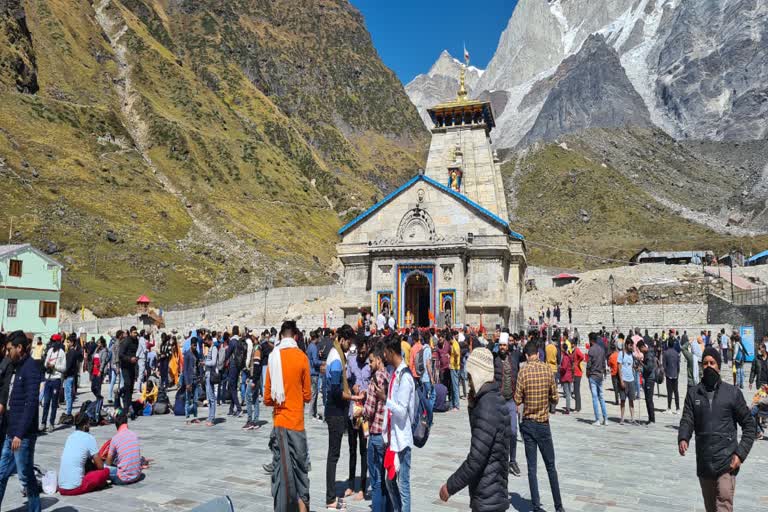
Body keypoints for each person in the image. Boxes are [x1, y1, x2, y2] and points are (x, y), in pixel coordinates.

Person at [678, 347, 755, 512]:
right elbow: (687, 418)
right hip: (705, 462)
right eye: (705, 363)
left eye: (712, 363)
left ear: (718, 366)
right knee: (711, 508)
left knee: (724, 505)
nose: (709, 366)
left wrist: (740, 454)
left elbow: (750, 426)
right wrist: (683, 437)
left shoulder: (732, 393)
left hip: (726, 463)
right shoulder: (693, 394)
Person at [439, 348, 510, 511]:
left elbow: (476, 458)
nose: (468, 381)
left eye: (470, 376)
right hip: (494, 492)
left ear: (478, 374)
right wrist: (473, 405)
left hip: (488, 497)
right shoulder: (495, 399)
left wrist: (450, 486)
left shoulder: (487, 406)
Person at [264, 320, 312, 512]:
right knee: (301, 473)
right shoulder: (302, 357)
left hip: (280, 424)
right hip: (297, 424)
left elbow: (267, 398)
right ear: (296, 337)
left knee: (280, 473)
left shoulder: (273, 357)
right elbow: (308, 396)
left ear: (280, 336)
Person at [515, 339, 563, 512]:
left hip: (528, 424)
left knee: (532, 468)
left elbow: (517, 399)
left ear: (527, 355)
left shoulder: (523, 372)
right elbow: (556, 398)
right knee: (551, 467)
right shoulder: (547, 369)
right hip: (543, 424)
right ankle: (559, 507)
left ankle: (536, 506)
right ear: (538, 353)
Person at [0, 332, 42, 512]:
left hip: (21, 435)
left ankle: (34, 508)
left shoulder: (31, 368)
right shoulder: (16, 367)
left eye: (10, 349)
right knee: (1, 474)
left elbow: (31, 403)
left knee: (26, 477)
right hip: (11, 432)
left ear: (19, 348)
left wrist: (20, 433)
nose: (8, 352)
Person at [325, 325, 358, 510]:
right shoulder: (337, 359)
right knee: (333, 455)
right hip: (336, 412)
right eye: (349, 342)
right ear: (343, 339)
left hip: (334, 411)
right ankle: (330, 499)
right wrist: (353, 397)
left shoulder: (334, 354)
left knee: (333, 455)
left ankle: (330, 496)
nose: (349, 346)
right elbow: (337, 391)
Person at [383, 336, 416, 512]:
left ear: (391, 352)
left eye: (385, 353)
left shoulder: (405, 377)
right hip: (393, 438)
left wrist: (385, 400)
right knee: (390, 480)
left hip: (402, 439)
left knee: (403, 484)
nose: (384, 357)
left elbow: (402, 411)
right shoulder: (395, 373)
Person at [363, 344, 390, 512]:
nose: (369, 364)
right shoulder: (388, 376)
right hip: (386, 434)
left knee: (376, 481)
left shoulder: (375, 380)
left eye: (371, 361)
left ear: (379, 360)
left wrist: (361, 411)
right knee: (385, 479)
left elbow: (369, 410)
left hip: (375, 434)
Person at [57, 412, 109, 495]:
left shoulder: (70, 437)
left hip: (61, 487)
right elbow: (100, 466)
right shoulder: (89, 438)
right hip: (74, 488)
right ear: (85, 425)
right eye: (89, 423)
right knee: (105, 472)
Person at [345, 339, 370, 501]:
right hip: (353, 410)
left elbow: (375, 384)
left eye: (364, 352)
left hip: (365, 413)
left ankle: (362, 487)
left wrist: (366, 391)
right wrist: (352, 386)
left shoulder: (371, 363)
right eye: (359, 352)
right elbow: (346, 381)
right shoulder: (351, 361)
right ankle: (350, 483)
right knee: (352, 448)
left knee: (363, 449)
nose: (361, 355)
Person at [494, 332, 520, 477]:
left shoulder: (514, 357)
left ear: (508, 345)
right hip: (498, 401)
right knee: (499, 433)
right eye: (501, 345)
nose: (502, 347)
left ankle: (513, 460)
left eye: (505, 345)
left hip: (511, 400)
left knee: (513, 431)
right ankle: (500, 461)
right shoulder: (495, 359)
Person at [105, 409, 142, 485]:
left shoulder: (115, 438)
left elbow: (108, 462)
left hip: (123, 478)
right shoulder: (134, 434)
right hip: (137, 475)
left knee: (104, 467)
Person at [41, 335, 66, 432]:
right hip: (48, 379)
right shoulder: (50, 351)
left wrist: (54, 366)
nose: (52, 343)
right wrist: (47, 364)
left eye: (54, 341)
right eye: (52, 341)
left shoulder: (62, 353)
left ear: (59, 342)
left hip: (56, 379)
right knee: (46, 402)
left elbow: (64, 368)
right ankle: (43, 423)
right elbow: (45, 362)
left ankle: (51, 423)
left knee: (54, 403)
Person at [587, 332, 608, 426]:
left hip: (593, 375)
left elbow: (589, 364)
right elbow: (604, 364)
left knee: (595, 398)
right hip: (600, 375)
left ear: (591, 340)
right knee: (601, 397)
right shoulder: (601, 350)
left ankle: (597, 419)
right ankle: (605, 418)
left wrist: (588, 373)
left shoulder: (591, 350)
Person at [119, 327, 139, 412]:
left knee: (131, 387)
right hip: (125, 367)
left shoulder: (136, 341)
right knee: (127, 384)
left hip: (132, 366)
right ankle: (127, 407)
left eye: (136, 332)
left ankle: (128, 403)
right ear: (130, 333)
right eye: (134, 332)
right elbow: (120, 355)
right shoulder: (126, 341)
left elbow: (135, 352)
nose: (135, 334)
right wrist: (130, 359)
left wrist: (135, 359)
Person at [617, 337, 637, 425]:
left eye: (632, 345)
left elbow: (632, 366)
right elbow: (619, 367)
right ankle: (622, 418)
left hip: (631, 379)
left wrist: (637, 368)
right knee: (623, 400)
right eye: (630, 345)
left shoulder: (632, 355)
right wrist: (621, 381)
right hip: (624, 379)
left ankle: (632, 418)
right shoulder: (621, 354)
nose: (631, 347)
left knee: (631, 399)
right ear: (626, 345)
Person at [244, 339, 262, 430]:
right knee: (255, 399)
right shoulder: (256, 348)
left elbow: (257, 365)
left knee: (248, 398)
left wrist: (254, 380)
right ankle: (255, 421)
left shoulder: (257, 349)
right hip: (254, 378)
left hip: (254, 379)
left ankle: (250, 421)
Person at [183, 340, 199, 424]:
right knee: (188, 399)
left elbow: (197, 365)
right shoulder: (187, 354)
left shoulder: (196, 353)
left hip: (196, 379)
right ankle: (187, 417)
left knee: (195, 399)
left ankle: (195, 416)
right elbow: (185, 370)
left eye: (196, 345)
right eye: (194, 345)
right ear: (191, 345)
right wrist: (187, 383)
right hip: (189, 379)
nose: (195, 347)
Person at [203, 335, 218, 427]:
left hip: (211, 375)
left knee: (212, 398)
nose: (205, 343)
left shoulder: (214, 349)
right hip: (207, 375)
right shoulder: (210, 349)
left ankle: (212, 418)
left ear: (210, 340)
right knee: (209, 397)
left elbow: (213, 362)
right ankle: (210, 416)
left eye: (206, 341)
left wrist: (205, 363)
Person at [663, 339, 681, 414]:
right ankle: (677, 408)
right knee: (676, 391)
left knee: (669, 392)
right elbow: (678, 365)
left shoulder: (666, 353)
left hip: (669, 374)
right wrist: (677, 373)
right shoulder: (676, 353)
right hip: (675, 374)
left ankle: (669, 408)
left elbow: (664, 365)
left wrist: (665, 373)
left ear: (668, 345)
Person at [307, 332, 322, 420]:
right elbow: (315, 361)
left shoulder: (309, 346)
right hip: (314, 372)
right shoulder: (314, 347)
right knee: (314, 393)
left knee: (313, 392)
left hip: (309, 371)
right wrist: (323, 362)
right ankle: (312, 413)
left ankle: (314, 412)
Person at [559, 345, 573, 414]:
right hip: (569, 375)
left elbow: (564, 368)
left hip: (565, 376)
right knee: (568, 393)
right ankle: (568, 407)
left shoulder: (565, 357)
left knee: (567, 393)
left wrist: (560, 368)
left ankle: (567, 408)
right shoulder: (568, 356)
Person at [449, 332, 461, 411]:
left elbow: (457, 353)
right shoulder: (455, 343)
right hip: (455, 367)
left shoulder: (454, 344)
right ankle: (453, 404)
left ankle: (456, 405)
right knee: (454, 386)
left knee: (455, 387)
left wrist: (455, 363)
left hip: (454, 368)